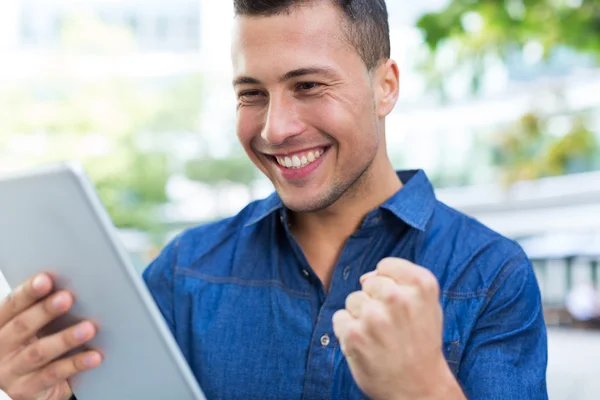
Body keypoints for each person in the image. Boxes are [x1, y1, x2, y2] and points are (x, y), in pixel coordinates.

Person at [0, 1, 548, 399]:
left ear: (386, 86)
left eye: (308, 86)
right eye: (251, 94)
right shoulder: (183, 271)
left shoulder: (491, 276)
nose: (275, 129)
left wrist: (424, 389)